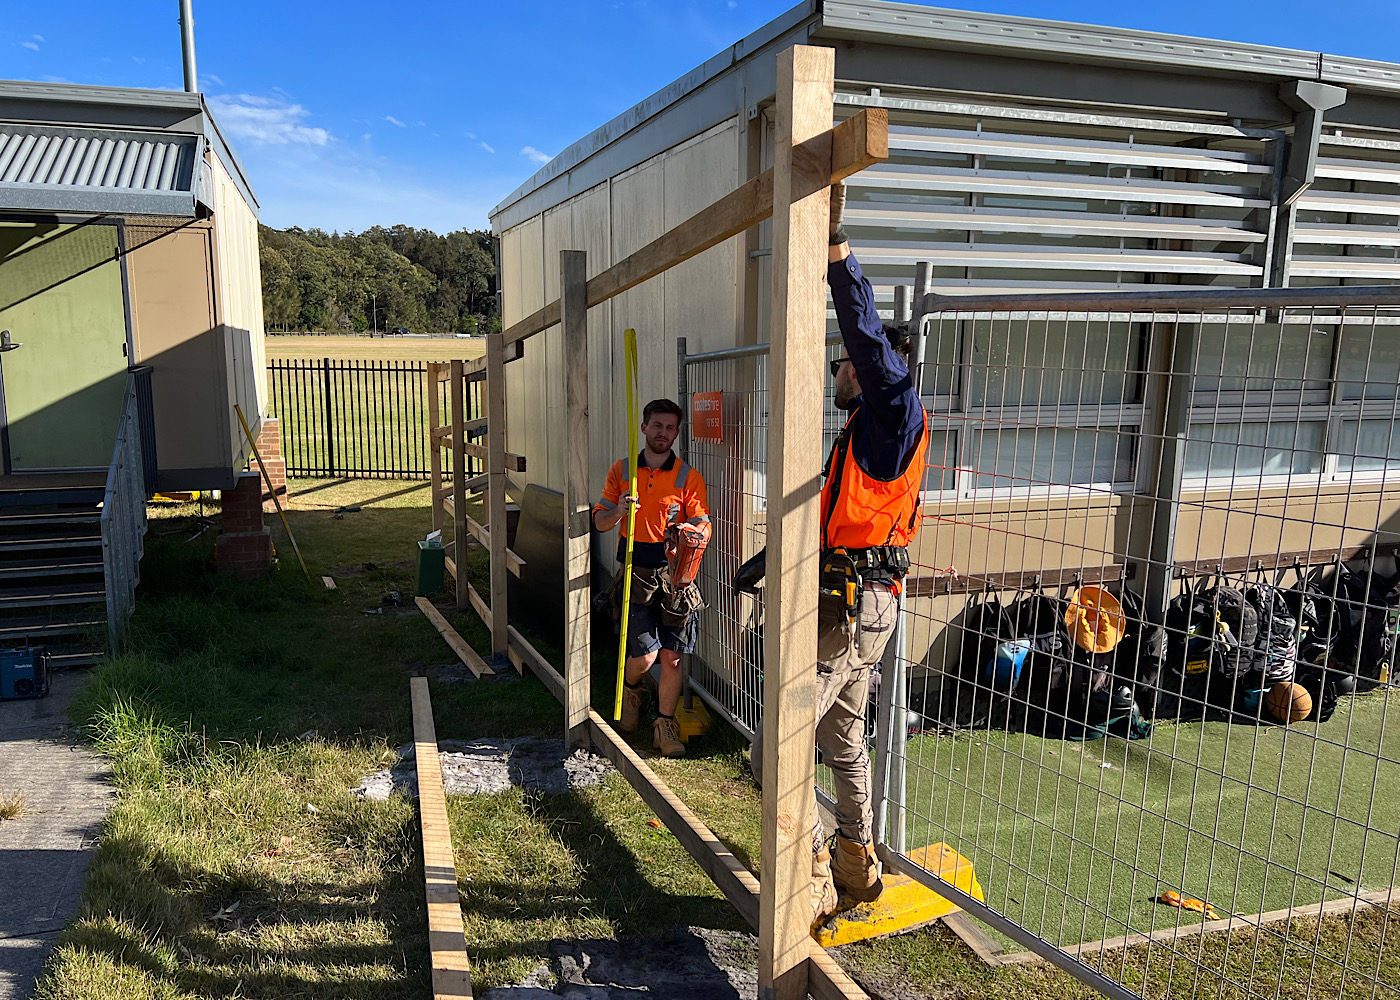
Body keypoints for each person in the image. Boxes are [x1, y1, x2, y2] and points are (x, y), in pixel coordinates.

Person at [748, 183, 928, 923]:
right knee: (842, 737)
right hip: (863, 601)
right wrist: (763, 565)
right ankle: (860, 862)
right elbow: (834, 522)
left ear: (874, 366)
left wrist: (837, 252)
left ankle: (814, 872)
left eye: (844, 363)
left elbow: (865, 336)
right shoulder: (863, 433)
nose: (837, 371)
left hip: (851, 611)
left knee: (774, 751)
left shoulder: (892, 414)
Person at [593, 398, 711, 758]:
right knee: (645, 657)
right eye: (657, 426)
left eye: (670, 427)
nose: (663, 433)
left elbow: (702, 521)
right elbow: (598, 522)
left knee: (674, 657)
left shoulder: (687, 477)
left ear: (677, 432)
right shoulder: (623, 470)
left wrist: (694, 531)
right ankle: (633, 692)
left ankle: (664, 726)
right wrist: (619, 510)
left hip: (676, 575)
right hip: (636, 571)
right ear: (644, 428)